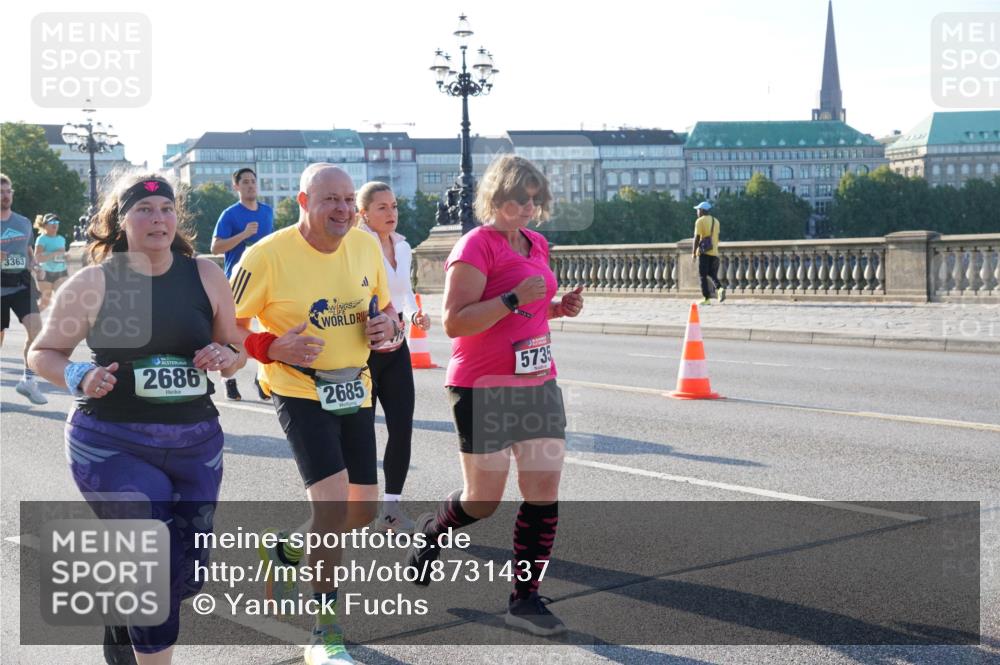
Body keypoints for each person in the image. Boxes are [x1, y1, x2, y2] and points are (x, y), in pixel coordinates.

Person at [27, 172, 246, 665]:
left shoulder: (205, 274)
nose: (158, 219)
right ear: (121, 221)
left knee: (185, 572)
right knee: (152, 560)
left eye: (167, 209)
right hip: (110, 439)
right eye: (144, 211)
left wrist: (225, 354)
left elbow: (235, 346)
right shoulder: (96, 280)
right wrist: (79, 373)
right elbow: (44, 353)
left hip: (196, 442)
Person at [404, 155, 584, 636]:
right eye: (518, 197)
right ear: (496, 196)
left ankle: (523, 600)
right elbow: (455, 322)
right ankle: (434, 528)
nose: (527, 207)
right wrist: (513, 300)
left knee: (543, 490)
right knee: (483, 501)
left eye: (534, 198)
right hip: (482, 385)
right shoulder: (474, 245)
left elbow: (531, 307)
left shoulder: (537, 243)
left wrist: (555, 307)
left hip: (538, 382)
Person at [234, 164, 397, 665]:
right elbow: (223, 326)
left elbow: (386, 311)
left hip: (354, 386)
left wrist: (387, 329)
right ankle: (324, 630)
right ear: (303, 202)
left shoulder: (366, 245)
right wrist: (270, 344)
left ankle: (285, 548)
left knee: (363, 511)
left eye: (349, 200)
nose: (344, 210)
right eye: (330, 200)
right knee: (329, 509)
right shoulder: (264, 256)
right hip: (297, 389)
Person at [355, 181, 432, 533]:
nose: (391, 213)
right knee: (361, 432)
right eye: (382, 207)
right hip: (362, 349)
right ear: (364, 213)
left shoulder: (403, 247)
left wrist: (415, 313)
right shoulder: (356, 246)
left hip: (397, 347)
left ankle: (391, 509)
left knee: (402, 427)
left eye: (394, 206)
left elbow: (404, 291)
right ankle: (358, 506)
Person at [211, 167, 274, 401]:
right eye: (245, 182)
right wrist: (243, 234)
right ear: (236, 187)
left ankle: (261, 378)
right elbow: (215, 248)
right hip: (237, 283)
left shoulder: (267, 211)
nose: (250, 185)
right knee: (233, 334)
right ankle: (229, 380)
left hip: (266, 281)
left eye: (253, 181)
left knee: (269, 329)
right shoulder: (230, 214)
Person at [1, 173, 48, 404]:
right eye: (1, 192)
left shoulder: (23, 223)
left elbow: (28, 253)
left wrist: (36, 266)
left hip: (21, 284)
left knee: (37, 331)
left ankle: (28, 381)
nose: (5, 195)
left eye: (8, 191)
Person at [33, 213, 69, 310]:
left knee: (63, 300)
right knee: (45, 303)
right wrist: (55, 253)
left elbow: (61, 257)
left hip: (61, 272)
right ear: (45, 225)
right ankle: (31, 320)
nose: (55, 224)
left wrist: (66, 257)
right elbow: (37, 258)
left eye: (56, 222)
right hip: (45, 273)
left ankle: (58, 323)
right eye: (52, 222)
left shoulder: (61, 239)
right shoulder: (41, 239)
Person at [692, 200, 725, 305]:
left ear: (702, 211)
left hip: (704, 252)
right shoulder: (716, 221)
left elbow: (697, 238)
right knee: (711, 274)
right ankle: (719, 289)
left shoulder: (700, 221)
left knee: (703, 275)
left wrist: (693, 252)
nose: (697, 212)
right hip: (714, 252)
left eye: (697, 210)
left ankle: (706, 298)